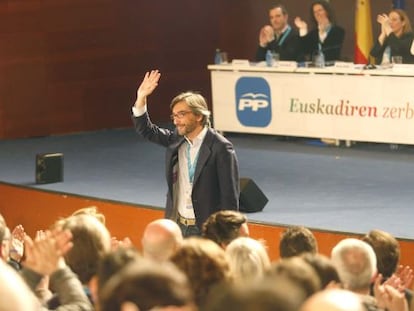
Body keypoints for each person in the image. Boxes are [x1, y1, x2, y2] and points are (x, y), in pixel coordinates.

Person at [132, 70, 240, 237]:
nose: (176, 121)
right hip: (177, 225)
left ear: (198, 115)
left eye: (181, 115)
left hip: (205, 229)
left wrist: (227, 235)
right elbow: (147, 130)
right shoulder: (177, 139)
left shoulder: (221, 147)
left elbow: (229, 197)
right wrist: (141, 97)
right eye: (174, 116)